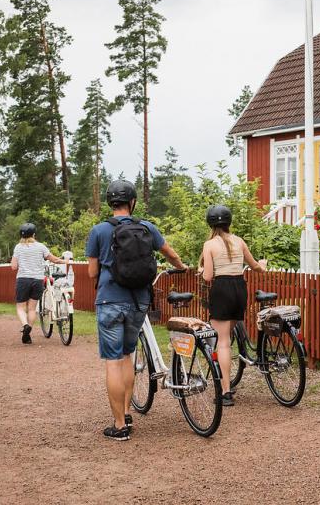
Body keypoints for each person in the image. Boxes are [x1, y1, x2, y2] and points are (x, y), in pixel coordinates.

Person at [86, 179, 186, 441]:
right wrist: (181, 266)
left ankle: (119, 425)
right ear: (132, 202)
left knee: (113, 361)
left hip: (109, 301)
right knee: (128, 356)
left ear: (110, 202)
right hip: (138, 301)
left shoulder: (98, 231)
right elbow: (169, 252)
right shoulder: (147, 227)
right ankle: (128, 412)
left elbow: (92, 272)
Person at [199, 205, 266, 406]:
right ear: (229, 222)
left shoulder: (209, 245)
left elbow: (208, 276)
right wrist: (262, 265)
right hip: (239, 288)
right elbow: (255, 266)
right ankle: (227, 383)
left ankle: (226, 392)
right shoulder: (239, 241)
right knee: (227, 337)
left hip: (222, 289)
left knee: (223, 342)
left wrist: (201, 270)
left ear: (210, 223)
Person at [11, 223, 68, 344]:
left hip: (23, 280)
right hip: (37, 280)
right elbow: (54, 259)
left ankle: (25, 325)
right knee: (32, 308)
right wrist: (66, 261)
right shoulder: (41, 246)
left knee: (20, 307)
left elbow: (13, 266)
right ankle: (28, 334)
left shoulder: (18, 247)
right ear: (33, 234)